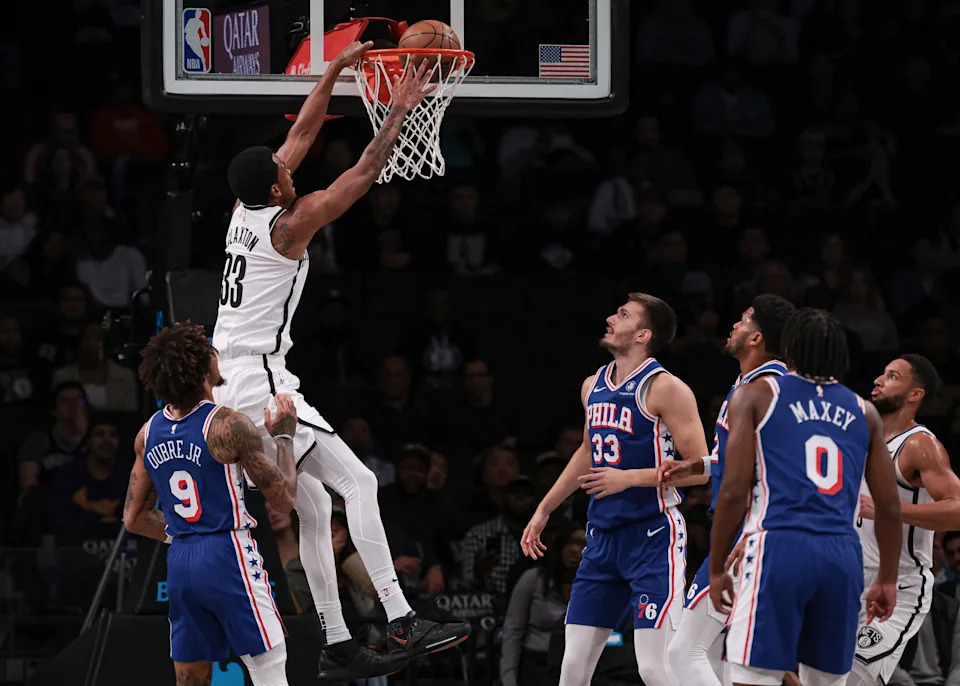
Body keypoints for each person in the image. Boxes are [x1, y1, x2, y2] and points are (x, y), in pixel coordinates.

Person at [210, 40, 469, 678]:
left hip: (230, 374)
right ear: (275, 185)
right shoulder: (286, 225)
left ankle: (335, 643)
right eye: (284, 170)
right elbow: (362, 174)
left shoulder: (243, 209)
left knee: (318, 508)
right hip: (259, 379)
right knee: (360, 482)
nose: (291, 166)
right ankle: (403, 616)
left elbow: (301, 129)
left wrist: (334, 71)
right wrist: (400, 110)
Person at [520, 293, 710, 686]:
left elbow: (700, 470)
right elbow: (588, 452)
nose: (610, 317)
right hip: (603, 538)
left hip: (653, 535)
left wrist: (629, 478)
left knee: (654, 668)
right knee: (571, 669)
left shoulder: (666, 387)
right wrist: (545, 509)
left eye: (622, 315)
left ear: (643, 334)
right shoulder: (593, 385)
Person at [709, 308, 903, 686]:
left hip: (780, 545)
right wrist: (888, 580)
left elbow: (733, 490)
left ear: (790, 348)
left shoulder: (756, 395)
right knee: (827, 681)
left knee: (753, 677)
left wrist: (717, 567)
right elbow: (890, 509)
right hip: (843, 556)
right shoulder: (865, 412)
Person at [123, 323, 299, 686]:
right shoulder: (229, 426)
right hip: (227, 551)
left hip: (181, 561)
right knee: (269, 664)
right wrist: (284, 437)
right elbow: (284, 500)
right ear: (204, 368)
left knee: (190, 677)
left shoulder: (147, 433)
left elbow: (134, 518)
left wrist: (184, 537)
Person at [659, 294, 797, 685]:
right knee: (721, 653)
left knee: (683, 653)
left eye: (743, 320)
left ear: (756, 338)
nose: (734, 325)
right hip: (752, 530)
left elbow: (787, 472)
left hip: (753, 531)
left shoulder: (770, 389)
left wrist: (756, 532)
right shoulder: (749, 385)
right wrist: (696, 464)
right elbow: (746, 461)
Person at [851, 355, 960, 685]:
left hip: (900, 584)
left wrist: (890, 510)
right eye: (881, 374)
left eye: (893, 377)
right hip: (847, 576)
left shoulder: (920, 445)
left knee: (854, 677)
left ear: (915, 394)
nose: (879, 381)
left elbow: (957, 508)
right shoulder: (861, 440)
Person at [500, 523, 586, 686]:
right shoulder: (533, 579)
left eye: (582, 544)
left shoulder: (595, 586)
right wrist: (508, 676)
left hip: (577, 664)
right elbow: (513, 630)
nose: (574, 549)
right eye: (569, 543)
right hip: (535, 664)